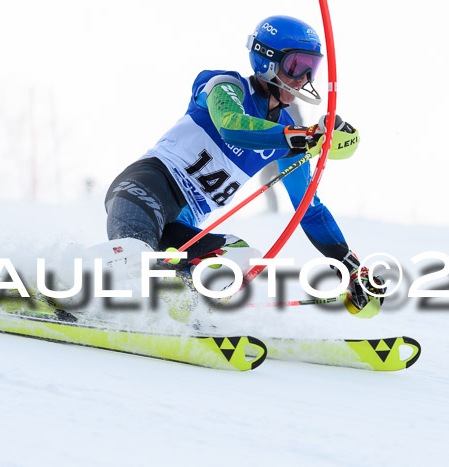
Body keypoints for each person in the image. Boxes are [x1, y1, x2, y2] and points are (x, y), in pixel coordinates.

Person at [104, 15, 385, 316]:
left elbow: (310, 210)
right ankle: (68, 289)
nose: (303, 78)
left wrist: (351, 267)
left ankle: (185, 319)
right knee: (135, 260)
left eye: (310, 69)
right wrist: (302, 137)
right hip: (146, 189)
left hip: (183, 227)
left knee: (242, 259)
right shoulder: (224, 85)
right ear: (266, 61)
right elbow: (231, 126)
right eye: (295, 66)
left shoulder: (288, 136)